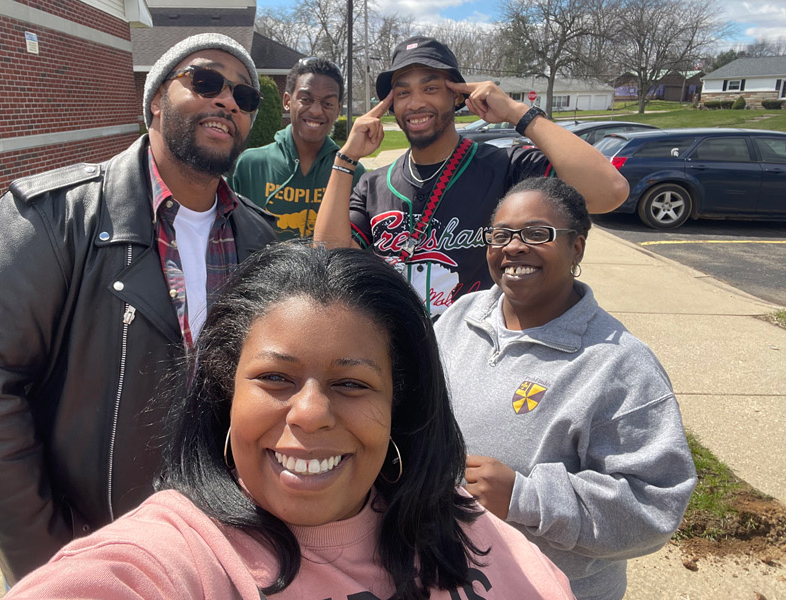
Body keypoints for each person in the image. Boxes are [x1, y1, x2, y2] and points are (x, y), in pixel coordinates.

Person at [4, 243, 575, 599]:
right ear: (225, 390)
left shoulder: (455, 516)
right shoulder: (174, 557)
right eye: (275, 379)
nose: (310, 413)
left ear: (399, 402)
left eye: (352, 384)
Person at [0, 33, 277, 585]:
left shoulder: (260, 238)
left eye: (244, 96)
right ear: (156, 100)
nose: (228, 101)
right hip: (96, 547)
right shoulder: (52, 218)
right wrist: (50, 557)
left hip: (227, 541)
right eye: (207, 81)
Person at [434, 177, 697, 600]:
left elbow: (654, 506)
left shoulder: (618, 364)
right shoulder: (462, 316)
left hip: (552, 589)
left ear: (576, 247)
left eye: (537, 234)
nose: (514, 247)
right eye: (501, 235)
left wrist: (526, 497)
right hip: (449, 572)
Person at [314, 36, 630, 316]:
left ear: (457, 95)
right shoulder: (374, 184)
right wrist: (347, 157)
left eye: (431, 87)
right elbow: (329, 254)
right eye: (403, 92)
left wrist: (516, 112)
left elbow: (609, 191)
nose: (416, 102)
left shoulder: (507, 167)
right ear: (389, 105)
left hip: (476, 350)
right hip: (400, 353)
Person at [230, 57, 365, 239]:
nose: (316, 111)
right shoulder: (250, 165)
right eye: (306, 99)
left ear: (338, 109)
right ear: (287, 101)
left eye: (328, 103)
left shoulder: (353, 173)